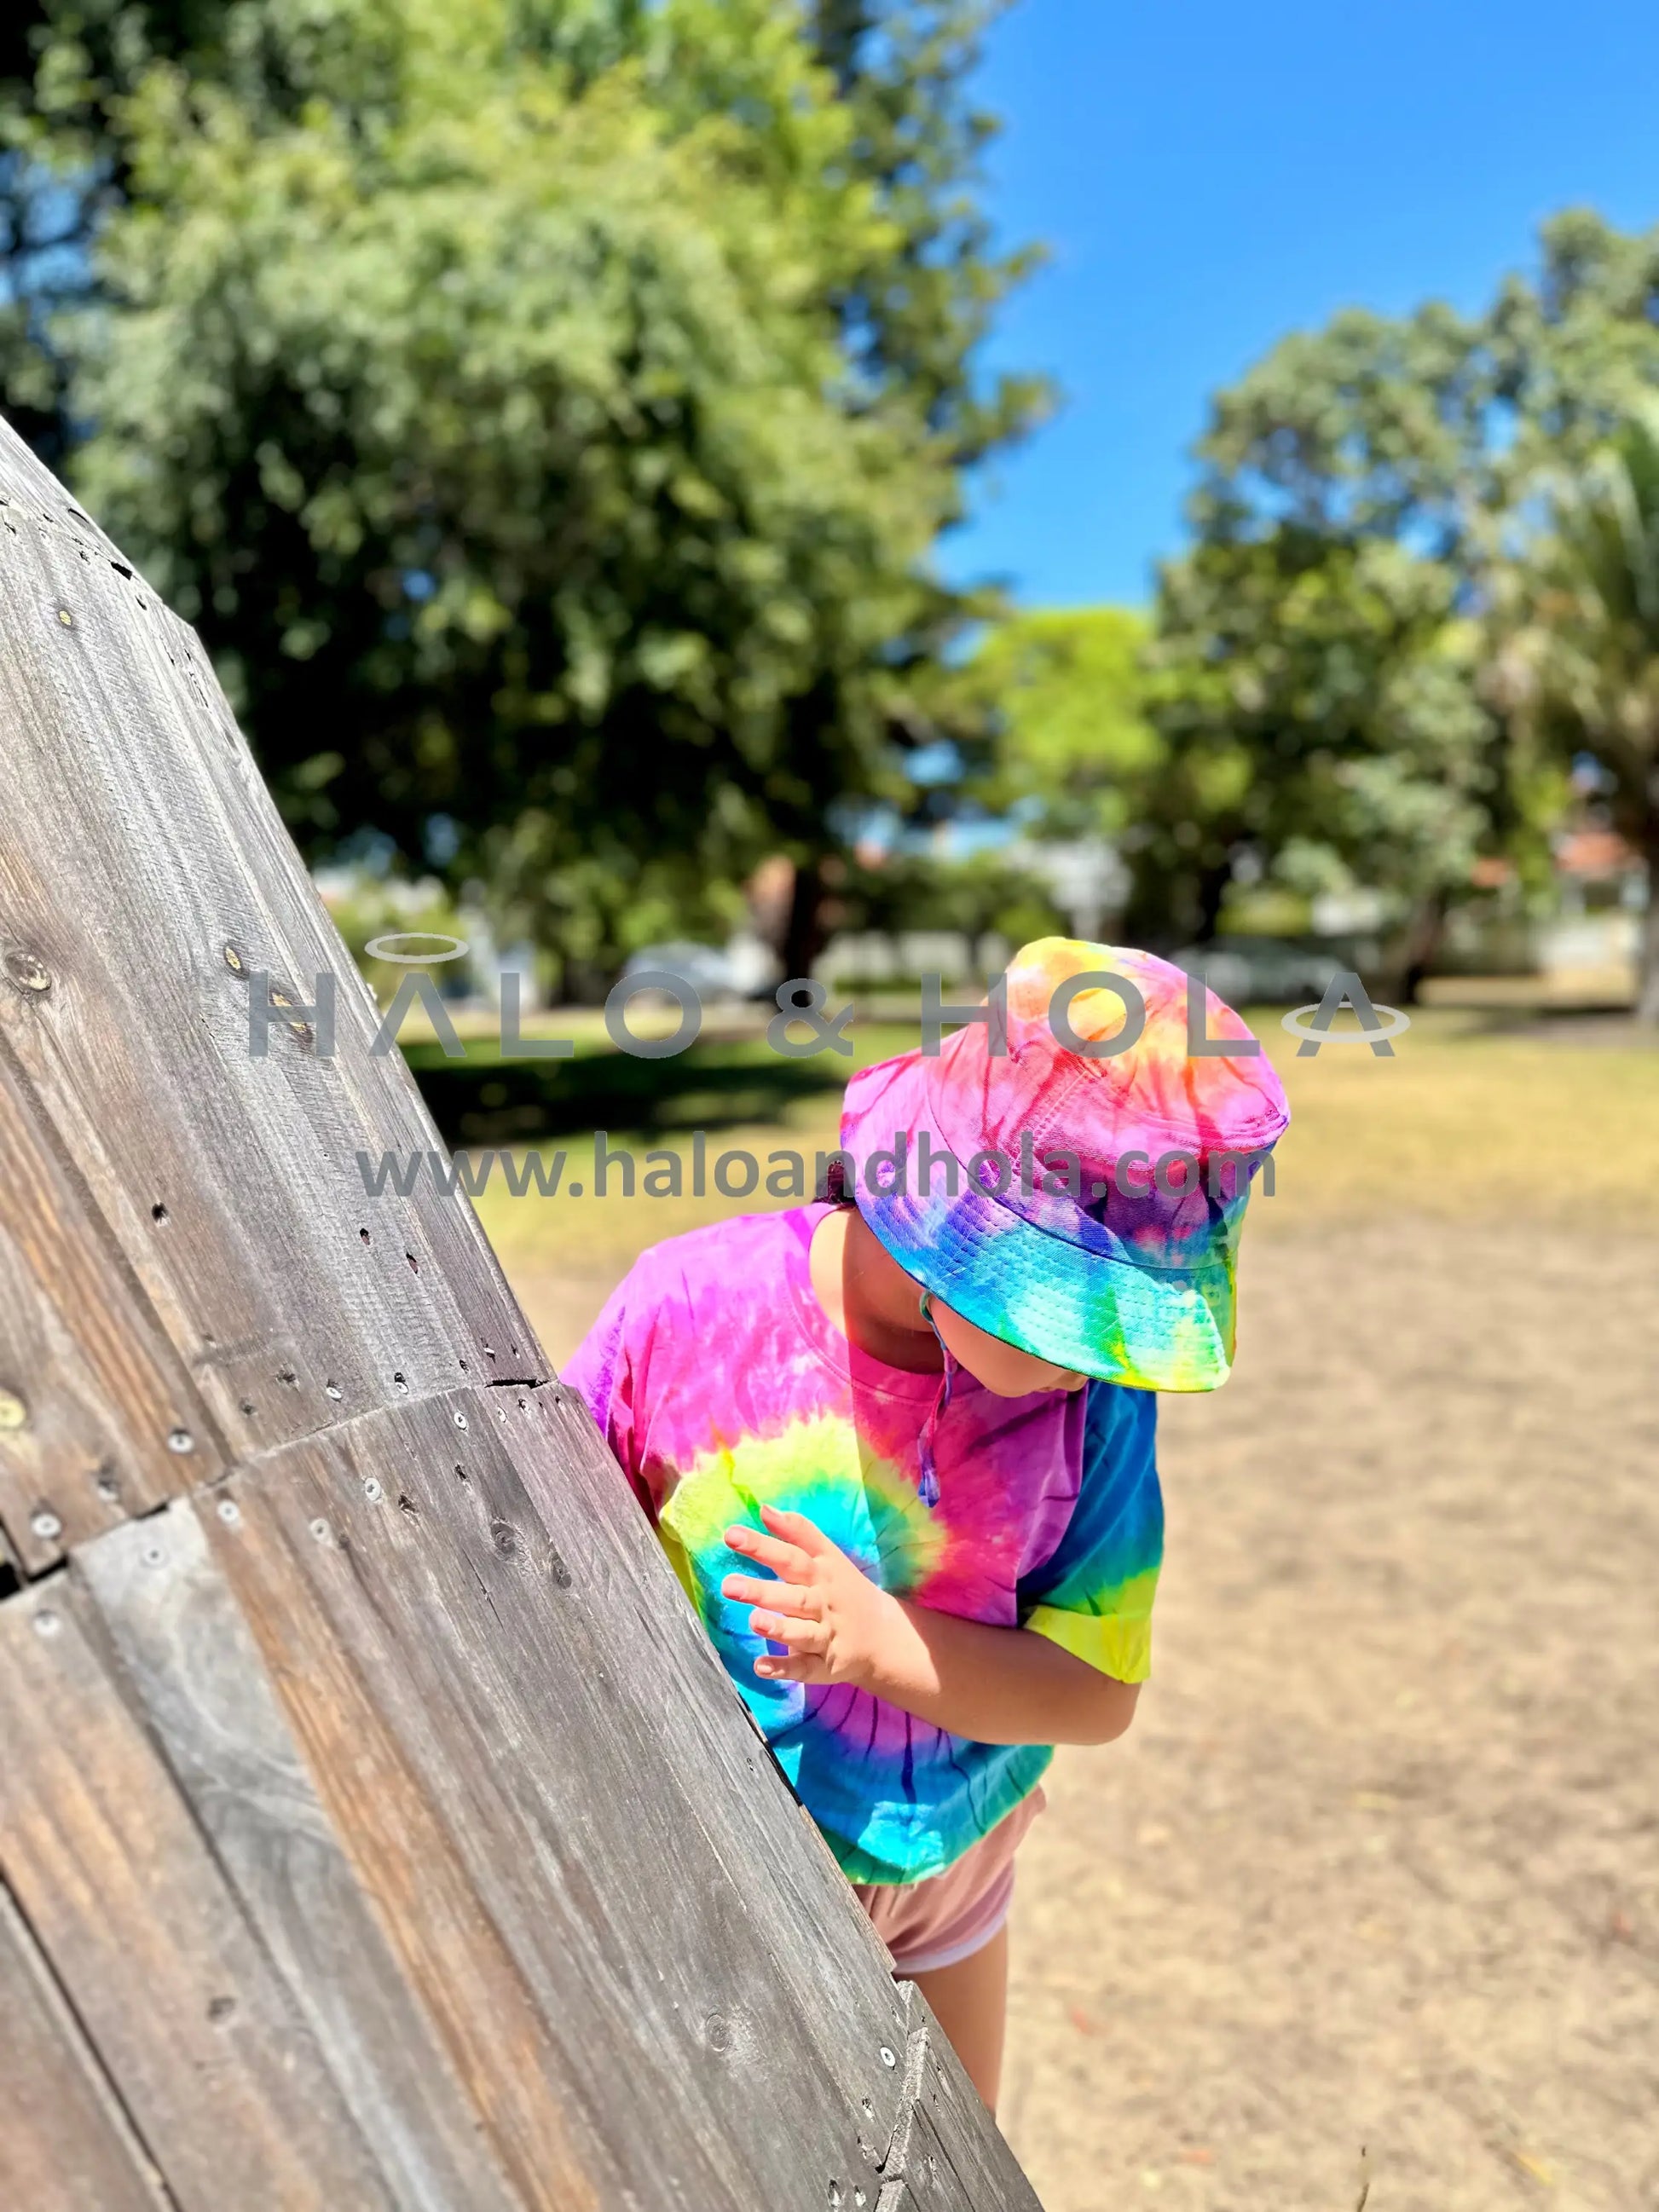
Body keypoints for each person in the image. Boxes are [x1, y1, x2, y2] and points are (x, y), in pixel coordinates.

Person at [564, 939, 1288, 2111]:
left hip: (954, 1883)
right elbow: (540, 1568)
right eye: (1078, 1321)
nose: (1100, 1363)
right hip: (716, 1878)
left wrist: (873, 1642)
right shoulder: (685, 1310)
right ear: (953, 1235)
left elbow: (1093, 1694)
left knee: (945, 2168)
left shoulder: (1097, 1408)